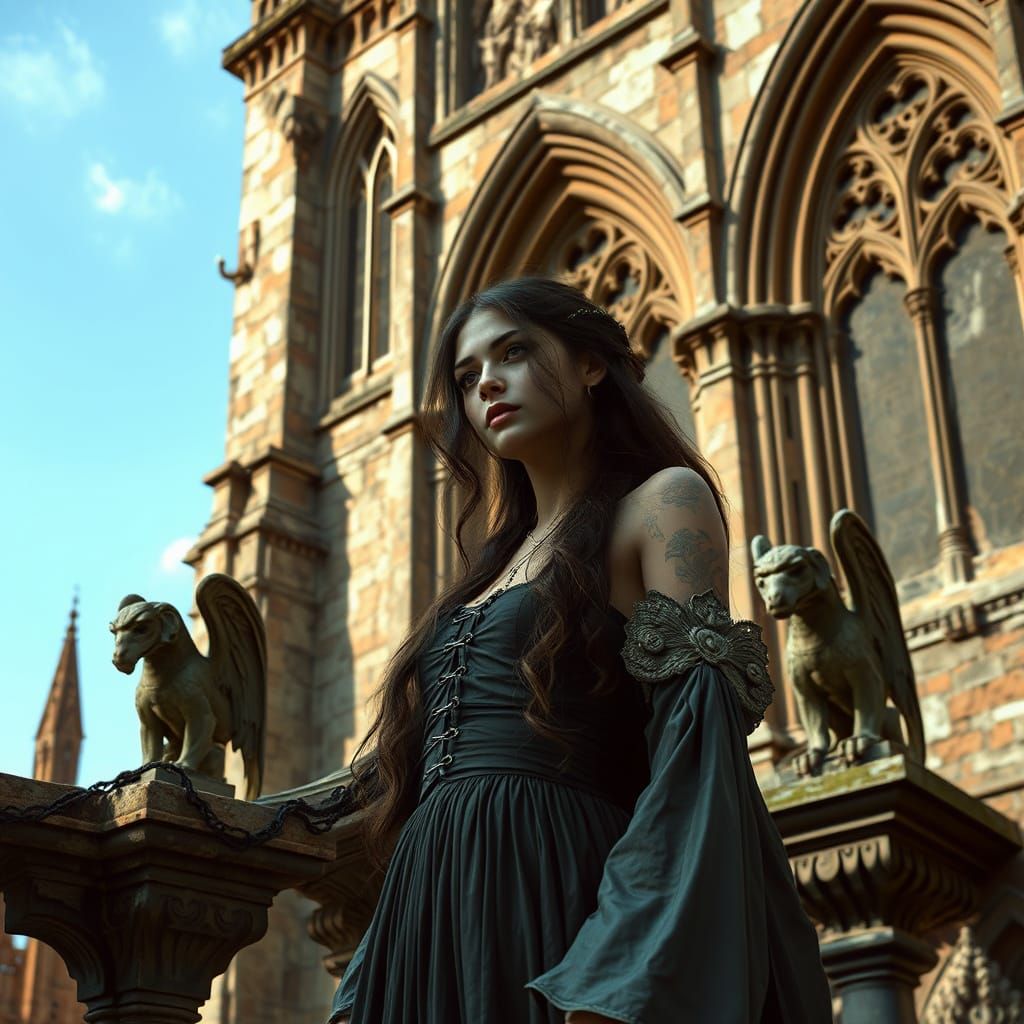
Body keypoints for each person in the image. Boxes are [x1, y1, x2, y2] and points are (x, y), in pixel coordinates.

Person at [328, 277, 832, 1023]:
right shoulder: (484, 572)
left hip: (558, 892)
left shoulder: (662, 506)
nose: (487, 383)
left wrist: (620, 965)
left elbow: (694, 746)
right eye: (467, 378)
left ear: (593, 365)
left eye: (515, 352)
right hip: (428, 915)